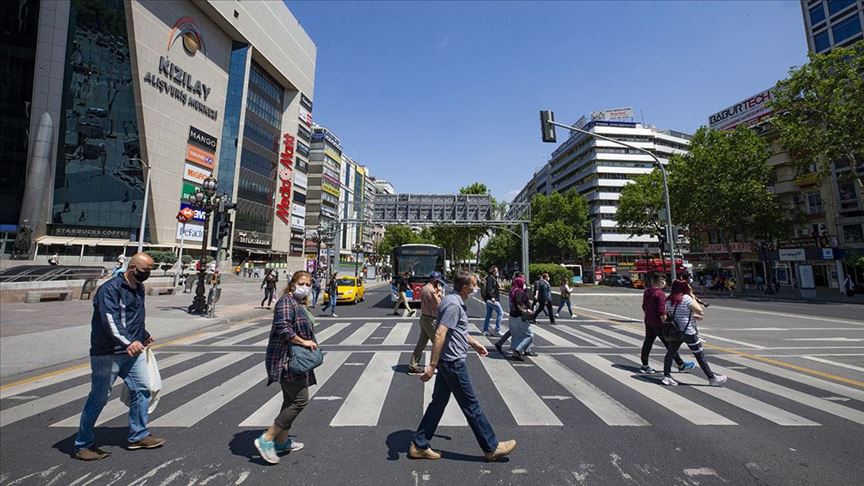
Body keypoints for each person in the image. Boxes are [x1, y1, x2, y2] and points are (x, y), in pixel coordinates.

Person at [410, 272, 516, 462]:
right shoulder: (453, 305)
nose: (477, 287)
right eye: (474, 284)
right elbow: (441, 333)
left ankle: (419, 444)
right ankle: (491, 447)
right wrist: (431, 365)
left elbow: (456, 330)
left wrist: (474, 343)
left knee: (438, 404)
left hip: (448, 361)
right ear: (465, 287)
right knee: (471, 405)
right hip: (452, 363)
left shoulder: (452, 301)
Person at [73, 253, 164, 461]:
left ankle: (137, 435)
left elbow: (135, 316)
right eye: (145, 270)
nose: (147, 274)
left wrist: (143, 335)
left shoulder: (138, 288)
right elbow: (110, 320)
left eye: (150, 270)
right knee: (98, 398)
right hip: (108, 353)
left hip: (133, 351)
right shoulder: (109, 289)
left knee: (143, 389)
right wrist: (128, 342)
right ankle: (83, 444)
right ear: (132, 268)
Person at [254, 271, 316, 464]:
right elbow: (283, 328)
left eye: (308, 284)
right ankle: (267, 438)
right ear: (292, 284)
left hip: (293, 359)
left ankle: (281, 442)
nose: (305, 287)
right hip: (286, 360)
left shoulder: (297, 302)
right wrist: (304, 342)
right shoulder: (286, 302)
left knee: (289, 400)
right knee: (300, 400)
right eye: (302, 283)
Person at [661, 280, 727, 387]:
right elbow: (700, 311)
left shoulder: (668, 300)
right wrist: (691, 295)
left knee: (670, 353)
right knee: (699, 355)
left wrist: (691, 316)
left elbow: (674, 315)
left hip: (674, 331)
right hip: (688, 332)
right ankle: (712, 378)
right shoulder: (686, 298)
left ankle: (667, 376)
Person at [639, 272, 694, 375]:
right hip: (659, 323)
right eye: (663, 281)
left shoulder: (647, 292)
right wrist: (667, 323)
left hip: (649, 321)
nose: (665, 283)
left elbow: (644, 307)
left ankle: (645, 365)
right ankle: (681, 364)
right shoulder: (660, 294)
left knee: (648, 342)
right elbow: (662, 311)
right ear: (660, 282)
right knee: (670, 344)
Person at [408, 272, 444, 375]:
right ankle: (440, 365)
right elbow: (439, 305)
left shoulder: (424, 287)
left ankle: (413, 365)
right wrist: (440, 293)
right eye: (438, 282)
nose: (439, 284)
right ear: (435, 280)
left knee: (421, 343)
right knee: (438, 343)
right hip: (431, 319)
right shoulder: (432, 291)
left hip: (425, 318)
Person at [502, 276, 536, 361]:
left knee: (517, 334)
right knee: (529, 335)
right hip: (520, 317)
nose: (525, 285)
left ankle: (515, 352)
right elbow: (519, 303)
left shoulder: (513, 291)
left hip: (513, 316)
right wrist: (527, 310)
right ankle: (518, 350)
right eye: (523, 283)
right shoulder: (519, 292)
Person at [481, 266, 503, 337]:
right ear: (493, 271)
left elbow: (493, 288)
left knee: (489, 315)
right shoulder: (490, 278)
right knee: (500, 313)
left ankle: (485, 330)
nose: (497, 272)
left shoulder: (492, 278)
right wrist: (492, 297)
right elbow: (489, 289)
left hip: (488, 299)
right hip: (491, 299)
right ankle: (497, 330)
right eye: (496, 271)